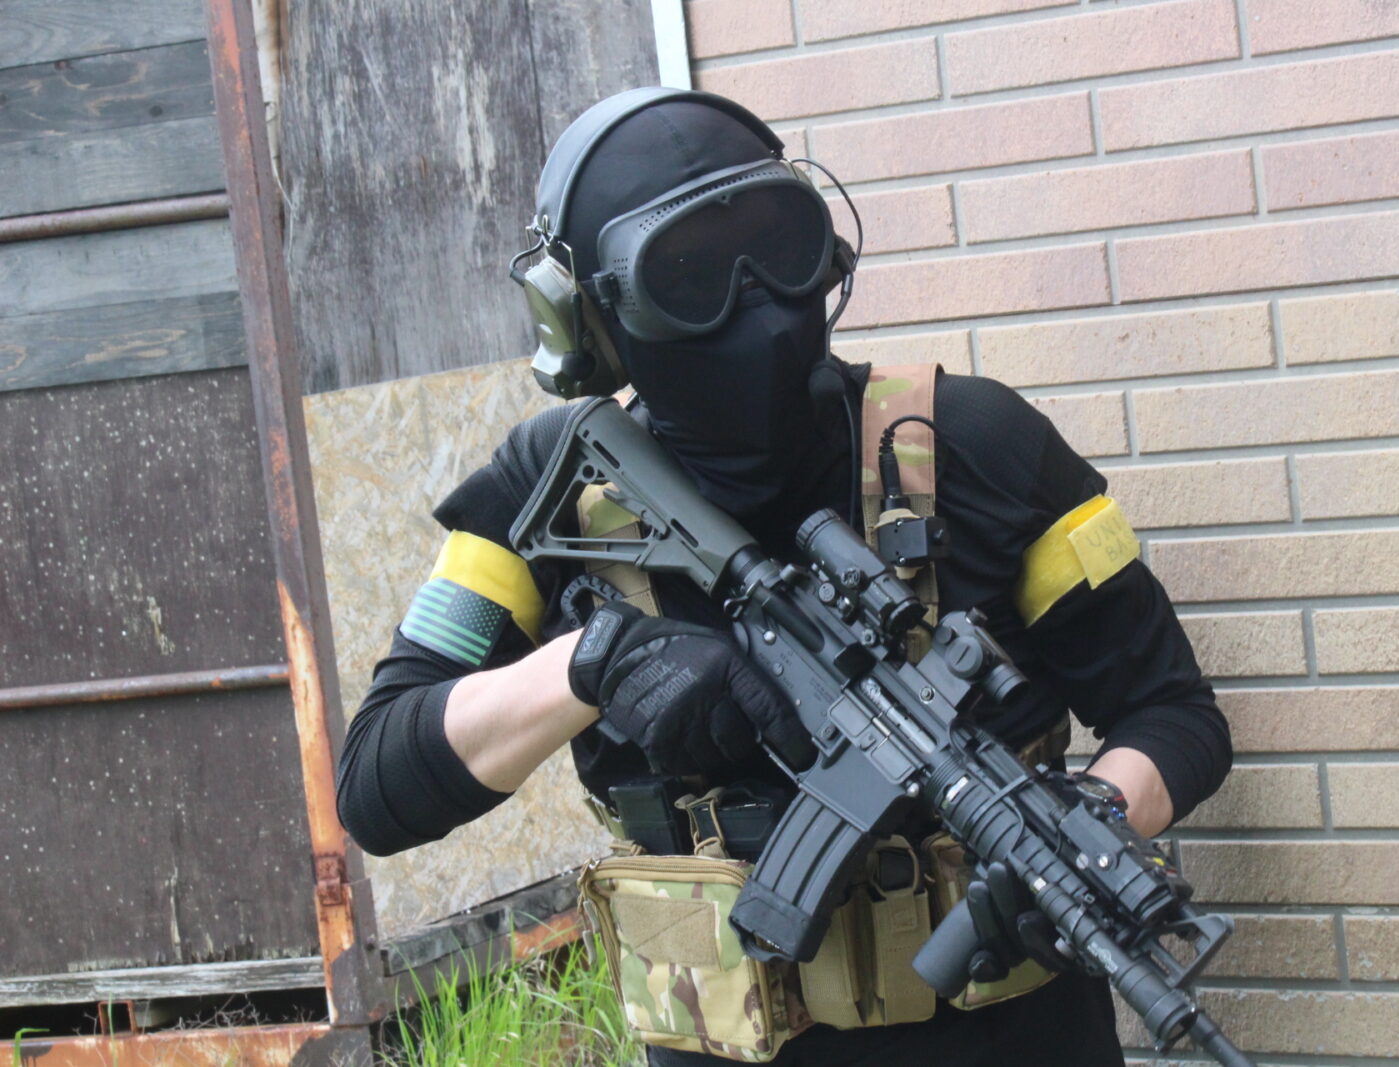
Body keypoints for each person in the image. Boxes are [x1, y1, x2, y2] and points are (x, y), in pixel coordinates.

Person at [336, 87, 1232, 1066]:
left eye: (779, 244)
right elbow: (377, 786)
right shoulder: (547, 496)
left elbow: (1174, 712)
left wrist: (1089, 825)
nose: (755, 303)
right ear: (588, 313)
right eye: (688, 274)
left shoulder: (973, 441)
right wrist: (588, 666)